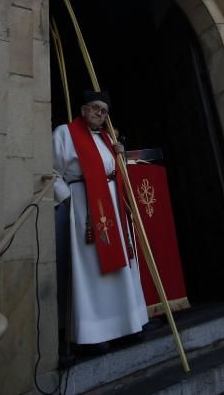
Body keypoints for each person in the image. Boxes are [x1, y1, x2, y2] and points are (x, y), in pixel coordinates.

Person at [53, 90, 148, 347]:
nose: (99, 113)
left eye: (104, 111)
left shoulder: (108, 138)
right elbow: (52, 171)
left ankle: (129, 323)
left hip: (114, 207)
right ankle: (96, 333)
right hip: (86, 208)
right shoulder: (65, 133)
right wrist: (70, 200)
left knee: (123, 266)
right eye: (95, 108)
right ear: (83, 109)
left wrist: (119, 154)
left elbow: (115, 173)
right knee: (92, 268)